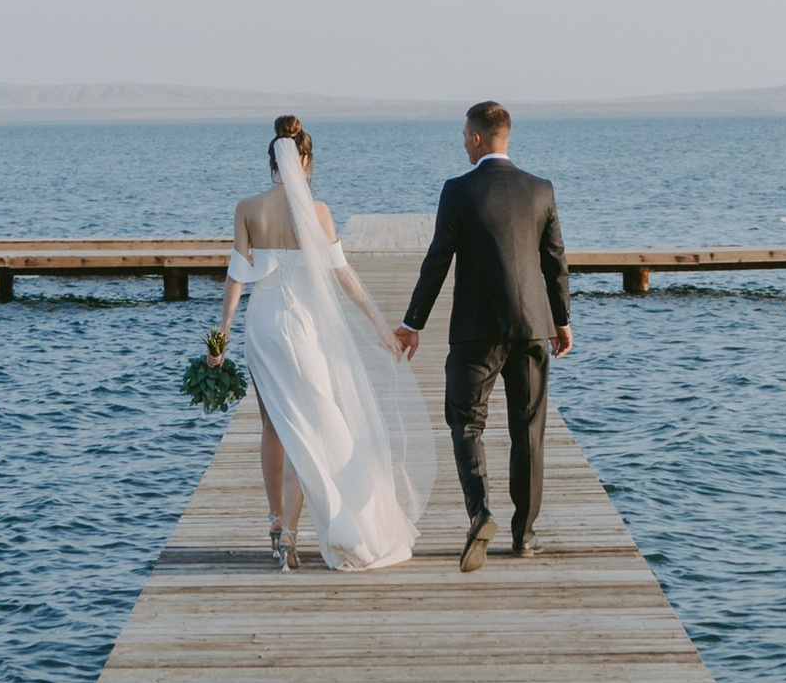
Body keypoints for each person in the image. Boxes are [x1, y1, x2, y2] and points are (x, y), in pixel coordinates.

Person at [214, 115, 431, 573]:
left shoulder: (248, 207)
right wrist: (379, 325)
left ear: (273, 161)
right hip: (306, 327)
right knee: (311, 423)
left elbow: (237, 276)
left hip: (264, 324)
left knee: (274, 423)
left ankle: (277, 524)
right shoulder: (318, 212)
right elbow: (343, 276)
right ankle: (292, 532)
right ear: (305, 160)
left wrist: (221, 338)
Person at [392, 102, 570, 572]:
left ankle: (481, 513)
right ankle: (524, 537)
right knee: (528, 431)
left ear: (476, 138)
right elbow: (555, 261)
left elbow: (438, 259)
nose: (462, 142)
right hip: (534, 327)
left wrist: (413, 323)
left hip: (476, 332)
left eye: (463, 136)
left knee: (467, 423)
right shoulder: (541, 189)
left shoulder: (458, 191)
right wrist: (562, 320)